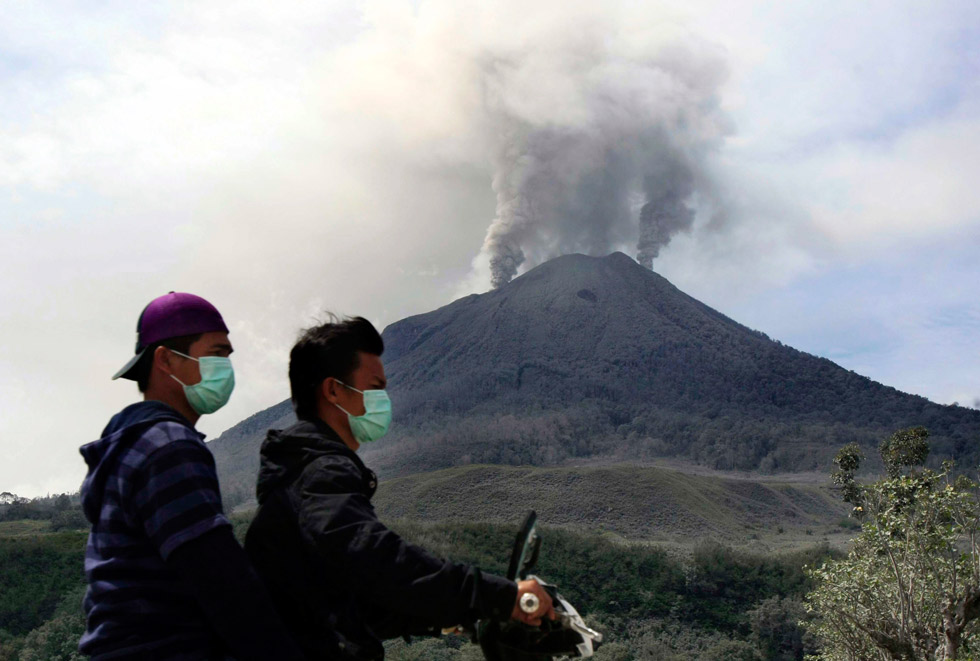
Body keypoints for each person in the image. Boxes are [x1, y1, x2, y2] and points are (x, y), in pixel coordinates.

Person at [245, 316, 557, 660]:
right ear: (333, 390)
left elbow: (347, 605)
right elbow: (374, 557)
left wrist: (450, 616)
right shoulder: (320, 472)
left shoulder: (295, 472)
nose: (384, 400)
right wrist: (502, 597)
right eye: (375, 387)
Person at [79, 292, 303, 660]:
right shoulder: (167, 446)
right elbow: (224, 584)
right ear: (166, 360)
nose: (227, 367)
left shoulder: (129, 445)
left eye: (229, 356)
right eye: (217, 354)